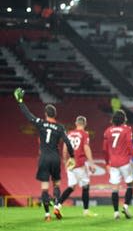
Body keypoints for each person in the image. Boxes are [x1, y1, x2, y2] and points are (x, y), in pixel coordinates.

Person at [13, 88, 74, 221]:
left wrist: (20, 101)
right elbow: (68, 143)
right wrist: (72, 156)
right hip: (55, 157)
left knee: (45, 187)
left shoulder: (41, 123)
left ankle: (47, 215)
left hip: (44, 157)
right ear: (55, 115)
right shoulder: (60, 127)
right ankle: (57, 206)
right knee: (57, 184)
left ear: (46, 114)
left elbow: (28, 115)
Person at [58, 116, 97, 217]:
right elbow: (86, 148)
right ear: (85, 124)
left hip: (70, 163)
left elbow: (64, 149)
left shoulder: (70, 134)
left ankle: (57, 205)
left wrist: (65, 161)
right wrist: (92, 163)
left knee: (71, 186)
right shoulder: (84, 134)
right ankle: (86, 211)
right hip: (79, 163)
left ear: (76, 123)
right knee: (86, 186)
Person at [103, 109, 133, 220]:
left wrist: (106, 163)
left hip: (113, 163)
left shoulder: (108, 131)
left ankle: (116, 213)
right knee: (130, 184)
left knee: (115, 188)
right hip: (125, 162)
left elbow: (104, 149)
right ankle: (125, 206)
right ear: (124, 119)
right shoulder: (127, 129)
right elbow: (129, 145)